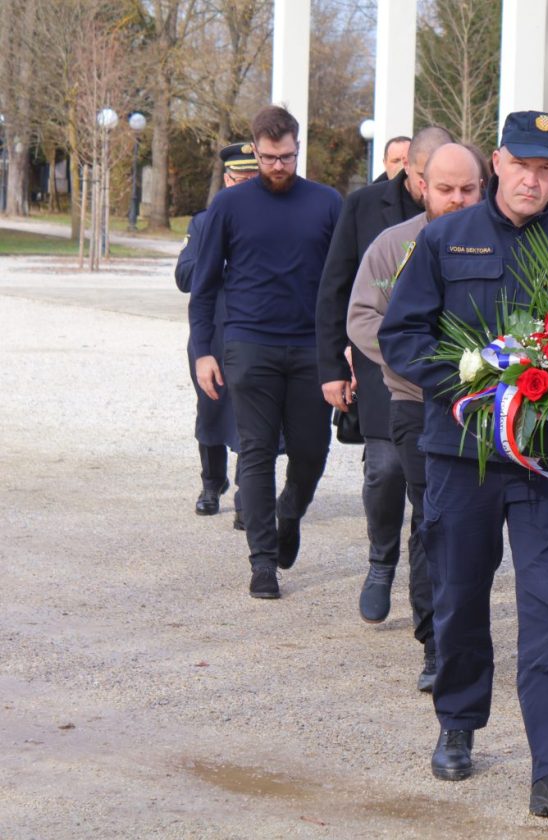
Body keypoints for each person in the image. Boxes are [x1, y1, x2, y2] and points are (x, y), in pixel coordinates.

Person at [377, 110, 548, 817]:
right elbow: (400, 333)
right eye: (522, 163)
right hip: (463, 455)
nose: (534, 177)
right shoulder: (444, 239)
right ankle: (458, 720)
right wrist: (467, 384)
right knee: (459, 594)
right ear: (497, 162)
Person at [346, 143, 484, 692]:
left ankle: (461, 629)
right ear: (421, 185)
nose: (455, 199)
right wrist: (411, 362)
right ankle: (434, 642)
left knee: (467, 528)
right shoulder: (393, 245)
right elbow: (360, 315)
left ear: (483, 186)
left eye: (466, 190)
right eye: (445, 188)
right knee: (432, 520)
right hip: (415, 403)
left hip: (487, 409)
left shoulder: (504, 243)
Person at [189, 105, 342, 599]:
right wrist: (201, 351)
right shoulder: (229, 207)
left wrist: (344, 353)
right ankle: (262, 563)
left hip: (310, 348)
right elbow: (205, 284)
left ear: (300, 150)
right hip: (248, 344)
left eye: (288, 157)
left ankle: (290, 514)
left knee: (311, 452)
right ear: (255, 151)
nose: (279, 166)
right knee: (255, 452)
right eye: (271, 157)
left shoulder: (327, 203)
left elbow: (342, 283)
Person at [316, 125, 452, 625]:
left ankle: (426, 596)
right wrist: (332, 364)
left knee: (430, 490)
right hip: (380, 369)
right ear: (410, 171)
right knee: (385, 470)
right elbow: (337, 289)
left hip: (446, 386)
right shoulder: (367, 208)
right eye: (425, 178)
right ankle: (380, 561)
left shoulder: (468, 221)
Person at [175, 142, 257, 525]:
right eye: (242, 178)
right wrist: (218, 258)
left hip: (255, 333)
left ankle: (247, 493)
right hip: (213, 332)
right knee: (211, 407)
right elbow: (184, 277)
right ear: (227, 181)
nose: (249, 185)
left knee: (253, 411)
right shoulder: (203, 222)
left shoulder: (270, 223)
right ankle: (211, 483)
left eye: (255, 178)